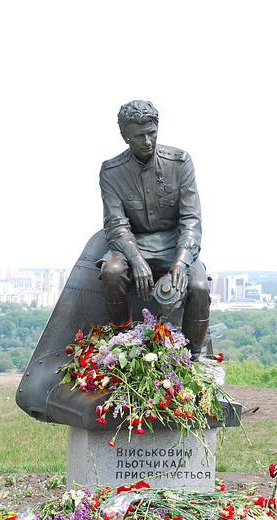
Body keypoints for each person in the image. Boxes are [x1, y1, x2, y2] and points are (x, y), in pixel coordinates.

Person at [97, 100, 210, 360]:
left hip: (175, 247)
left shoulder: (180, 163)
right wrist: (135, 259)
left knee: (200, 286)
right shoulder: (110, 172)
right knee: (112, 271)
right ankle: (121, 340)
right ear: (125, 136)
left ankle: (193, 356)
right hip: (131, 246)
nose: (148, 141)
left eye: (152, 133)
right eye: (139, 136)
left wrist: (181, 263)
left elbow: (191, 219)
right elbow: (115, 224)